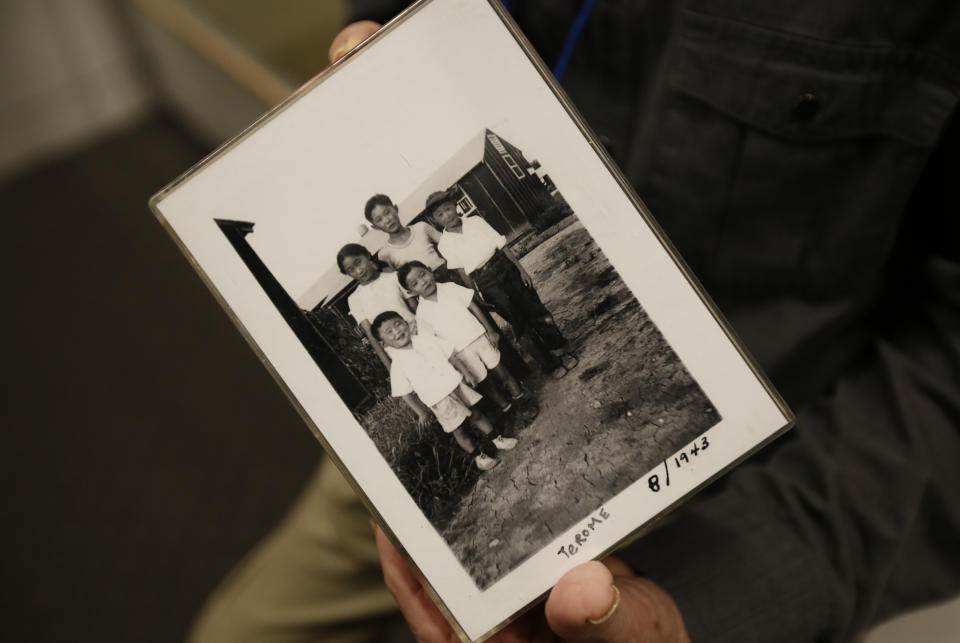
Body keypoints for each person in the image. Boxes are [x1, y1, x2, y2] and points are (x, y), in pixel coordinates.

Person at [190, 2, 960, 642]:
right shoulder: (374, 281)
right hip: (411, 400)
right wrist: (377, 35)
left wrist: (709, 603)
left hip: (746, 475)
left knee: (512, 342)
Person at [427, 188, 578, 379]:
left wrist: (521, 270)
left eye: (448, 209)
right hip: (486, 281)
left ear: (455, 206)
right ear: (435, 220)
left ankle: (560, 348)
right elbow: (463, 272)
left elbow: (502, 245)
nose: (447, 215)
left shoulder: (475, 222)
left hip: (505, 266)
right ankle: (549, 363)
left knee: (535, 310)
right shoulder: (445, 244)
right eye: (440, 214)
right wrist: (475, 295)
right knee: (518, 322)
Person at [371, 311, 518, 470]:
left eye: (397, 324)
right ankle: (479, 457)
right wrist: (421, 412)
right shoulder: (398, 365)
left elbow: (450, 356)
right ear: (383, 343)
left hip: (455, 383)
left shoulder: (425, 339)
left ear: (406, 323)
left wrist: (466, 372)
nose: (397, 332)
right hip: (439, 399)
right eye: (389, 332)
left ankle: (497, 439)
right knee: (458, 428)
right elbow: (405, 394)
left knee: (476, 413)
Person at [397, 260, 526, 413]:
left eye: (423, 274)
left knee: (502, 371)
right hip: (461, 353)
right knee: (486, 383)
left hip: (479, 338)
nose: (423, 282)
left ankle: (523, 400)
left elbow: (474, 307)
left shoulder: (450, 288)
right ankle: (508, 408)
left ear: (430, 270)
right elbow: (434, 344)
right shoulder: (422, 314)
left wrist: (490, 331)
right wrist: (455, 363)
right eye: (415, 283)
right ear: (410, 292)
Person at [337, 242, 415, 370]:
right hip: (398, 351)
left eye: (358, 262)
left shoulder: (394, 278)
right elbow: (372, 337)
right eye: (351, 270)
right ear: (348, 274)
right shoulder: (355, 299)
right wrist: (391, 369)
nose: (359, 270)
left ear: (367, 255)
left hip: (418, 336)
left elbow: (415, 308)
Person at [364, 193, 449, 281]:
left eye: (387, 212)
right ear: (376, 227)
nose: (387, 220)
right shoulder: (385, 253)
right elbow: (394, 283)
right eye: (379, 220)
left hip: (448, 276)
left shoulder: (421, 227)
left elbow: (451, 245)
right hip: (424, 288)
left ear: (395, 209)